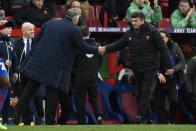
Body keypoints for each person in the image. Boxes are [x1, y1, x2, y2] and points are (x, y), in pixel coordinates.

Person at [16, 8, 103, 125]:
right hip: (57, 67)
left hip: (39, 61)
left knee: (31, 87)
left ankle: (17, 112)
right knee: (52, 92)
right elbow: (84, 47)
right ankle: (51, 122)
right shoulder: (74, 29)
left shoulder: (49, 23)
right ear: (76, 18)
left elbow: (36, 40)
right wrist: (97, 49)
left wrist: (36, 55)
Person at [99, 12, 172, 124]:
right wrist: (105, 48)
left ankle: (140, 116)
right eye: (132, 21)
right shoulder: (129, 33)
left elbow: (163, 49)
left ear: (142, 20)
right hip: (137, 68)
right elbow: (119, 44)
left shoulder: (153, 31)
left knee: (145, 92)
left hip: (150, 68)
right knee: (139, 93)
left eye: (136, 20)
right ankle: (147, 119)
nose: (133, 23)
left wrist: (168, 66)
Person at [14, 22, 44, 125]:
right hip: (23, 77)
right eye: (30, 30)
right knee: (25, 98)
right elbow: (15, 59)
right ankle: (27, 121)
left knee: (38, 99)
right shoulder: (17, 43)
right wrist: (17, 71)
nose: (33, 31)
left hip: (37, 76)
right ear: (23, 31)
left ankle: (40, 119)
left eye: (33, 29)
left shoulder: (38, 42)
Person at [71, 25, 103, 124]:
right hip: (93, 77)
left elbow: (73, 62)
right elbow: (100, 61)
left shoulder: (77, 46)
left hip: (80, 78)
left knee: (80, 100)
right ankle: (98, 115)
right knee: (93, 98)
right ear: (89, 34)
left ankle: (81, 121)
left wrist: (76, 72)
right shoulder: (97, 46)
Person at [154, 30, 185, 124]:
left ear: (167, 38)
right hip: (158, 79)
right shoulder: (153, 47)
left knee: (174, 101)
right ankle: (163, 123)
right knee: (159, 104)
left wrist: (174, 69)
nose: (160, 39)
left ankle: (172, 121)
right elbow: (150, 64)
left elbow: (182, 62)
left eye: (162, 37)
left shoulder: (174, 46)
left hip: (172, 79)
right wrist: (158, 74)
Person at [0, 20, 18, 126]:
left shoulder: (11, 42)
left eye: (11, 28)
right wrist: (2, 60)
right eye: (8, 27)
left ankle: (6, 119)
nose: (11, 30)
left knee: (6, 98)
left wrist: (15, 71)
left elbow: (14, 57)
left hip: (7, 76)